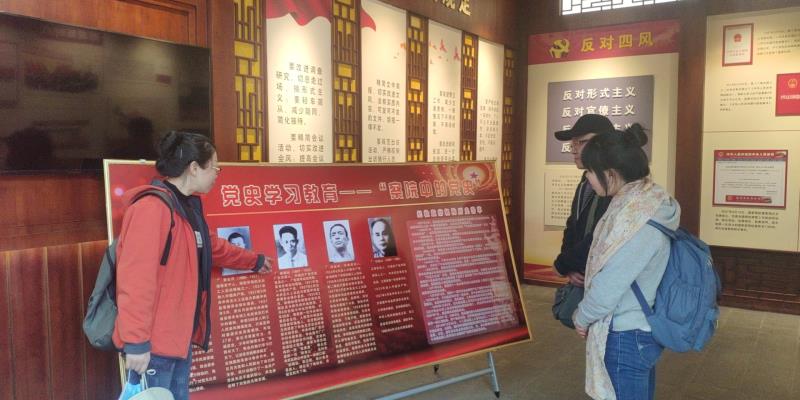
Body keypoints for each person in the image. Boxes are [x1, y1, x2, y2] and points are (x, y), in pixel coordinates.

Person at [113, 131, 272, 400]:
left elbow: (212, 247)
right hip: (153, 345)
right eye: (215, 167)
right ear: (194, 168)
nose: (217, 174)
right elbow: (135, 279)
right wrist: (136, 342)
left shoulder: (184, 208)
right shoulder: (151, 208)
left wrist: (254, 261)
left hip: (177, 337)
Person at [571, 124, 679, 400]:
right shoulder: (644, 202)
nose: (587, 178)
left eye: (590, 171)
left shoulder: (637, 221)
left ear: (610, 174)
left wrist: (581, 317)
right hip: (636, 328)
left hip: (626, 335)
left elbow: (610, 285)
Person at [553, 114, 615, 288]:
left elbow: (600, 235)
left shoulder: (615, 185)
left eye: (581, 142)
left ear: (604, 143)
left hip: (603, 280)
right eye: (573, 144)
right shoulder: (586, 179)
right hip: (581, 275)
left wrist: (562, 264)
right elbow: (573, 224)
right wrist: (570, 267)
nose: (574, 150)